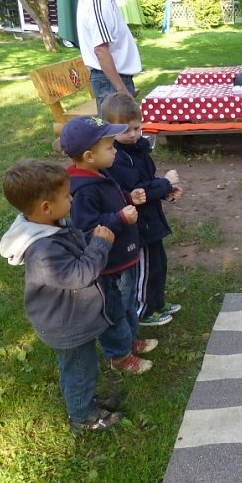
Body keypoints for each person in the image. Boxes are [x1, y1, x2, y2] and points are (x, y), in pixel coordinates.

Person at [0, 159, 122, 433]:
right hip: (67, 325)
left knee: (75, 368)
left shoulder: (48, 225)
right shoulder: (43, 252)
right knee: (80, 370)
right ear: (46, 207)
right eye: (67, 195)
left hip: (68, 319)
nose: (72, 198)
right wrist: (101, 245)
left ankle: (81, 400)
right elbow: (80, 274)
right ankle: (83, 415)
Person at [61, 116, 157, 373]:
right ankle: (119, 355)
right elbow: (87, 228)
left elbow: (112, 200)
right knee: (114, 310)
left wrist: (128, 197)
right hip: (109, 265)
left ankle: (130, 340)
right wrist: (120, 218)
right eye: (109, 147)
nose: (115, 149)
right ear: (89, 156)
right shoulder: (84, 190)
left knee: (127, 305)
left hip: (124, 257)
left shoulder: (99, 173)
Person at [102, 93, 183, 328]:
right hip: (137, 225)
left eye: (137, 128)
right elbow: (137, 191)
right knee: (145, 268)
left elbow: (147, 181)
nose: (133, 134)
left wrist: (166, 192)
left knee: (159, 263)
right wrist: (165, 183)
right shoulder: (116, 158)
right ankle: (143, 310)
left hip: (151, 219)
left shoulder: (139, 149)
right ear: (110, 129)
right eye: (126, 130)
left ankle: (157, 302)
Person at [77, 0, 141, 117]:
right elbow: (100, 49)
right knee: (117, 137)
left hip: (113, 80)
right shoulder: (96, 0)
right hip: (110, 81)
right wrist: (121, 89)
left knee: (123, 136)